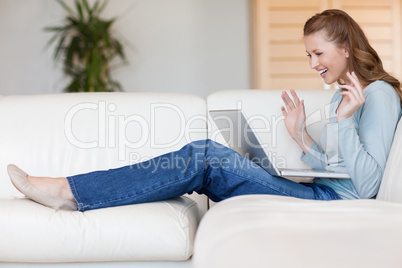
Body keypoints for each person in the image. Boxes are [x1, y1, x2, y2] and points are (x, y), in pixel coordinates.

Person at [8, 9, 402, 212]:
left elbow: (365, 188)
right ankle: (73, 191)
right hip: (320, 193)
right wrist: (301, 136)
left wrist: (346, 121)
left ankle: (69, 191)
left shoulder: (379, 95)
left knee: (205, 155)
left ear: (346, 48)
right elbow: (337, 169)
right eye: (308, 54)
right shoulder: (342, 96)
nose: (313, 63)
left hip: (332, 206)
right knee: (208, 156)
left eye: (318, 53)